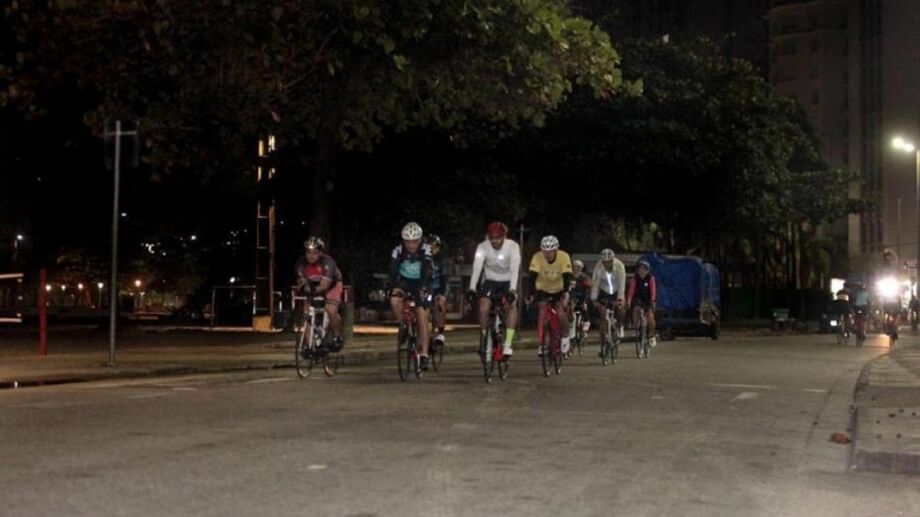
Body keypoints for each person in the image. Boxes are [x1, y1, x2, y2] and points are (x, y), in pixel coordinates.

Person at [468, 221, 521, 357]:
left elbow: (515, 269)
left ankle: (508, 343)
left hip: (508, 280)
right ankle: (486, 338)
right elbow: (477, 268)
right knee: (483, 308)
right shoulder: (482, 247)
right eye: (492, 238)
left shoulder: (513, 247)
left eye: (498, 238)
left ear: (504, 237)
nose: (494, 241)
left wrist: (513, 290)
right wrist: (472, 288)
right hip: (490, 280)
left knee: (511, 307)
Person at [389, 222, 434, 370]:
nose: (411, 245)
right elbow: (393, 271)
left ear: (420, 240)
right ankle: (403, 324)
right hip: (405, 282)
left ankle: (425, 354)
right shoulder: (398, 250)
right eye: (408, 241)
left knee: (421, 315)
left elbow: (427, 270)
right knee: (394, 299)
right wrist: (392, 287)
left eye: (414, 241)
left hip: (423, 282)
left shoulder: (426, 250)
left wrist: (424, 288)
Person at [294, 237, 344, 351]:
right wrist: (304, 290)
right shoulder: (301, 264)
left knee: (330, 310)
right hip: (313, 284)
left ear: (321, 253)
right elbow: (301, 284)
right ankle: (307, 344)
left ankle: (337, 336)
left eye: (315, 253)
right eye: (308, 252)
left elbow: (325, 286)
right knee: (307, 312)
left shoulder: (328, 263)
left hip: (332, 284)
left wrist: (314, 291)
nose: (311, 256)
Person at [528, 235, 573, 355]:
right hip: (543, 288)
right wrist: (530, 294)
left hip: (559, 288)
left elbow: (567, 277)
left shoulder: (564, 256)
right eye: (545, 251)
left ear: (556, 250)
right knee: (542, 312)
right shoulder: (537, 257)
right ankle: (542, 343)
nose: (547, 254)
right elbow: (532, 277)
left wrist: (566, 293)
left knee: (560, 312)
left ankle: (565, 336)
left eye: (550, 251)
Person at [590, 248, 626, 354]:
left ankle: (620, 325)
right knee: (603, 316)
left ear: (612, 260)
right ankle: (603, 343)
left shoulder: (619, 266)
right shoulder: (598, 267)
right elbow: (595, 283)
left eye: (609, 262)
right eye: (604, 262)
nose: (606, 264)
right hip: (604, 291)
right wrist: (594, 299)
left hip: (616, 290)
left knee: (620, 308)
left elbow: (622, 283)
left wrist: (620, 299)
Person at [626, 259, 658, 347]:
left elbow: (653, 291)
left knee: (650, 316)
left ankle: (651, 336)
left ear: (647, 270)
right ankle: (637, 328)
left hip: (648, 300)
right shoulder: (634, 279)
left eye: (644, 269)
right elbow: (631, 291)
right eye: (640, 269)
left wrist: (652, 300)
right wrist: (628, 301)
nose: (642, 271)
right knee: (636, 310)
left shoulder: (650, 279)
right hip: (638, 299)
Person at [427, 234, 449, 346]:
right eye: (429, 247)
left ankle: (440, 333)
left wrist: (441, 294)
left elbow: (444, 278)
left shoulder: (442, 260)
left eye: (434, 247)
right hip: (426, 288)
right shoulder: (423, 257)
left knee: (440, 304)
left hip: (438, 287)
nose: (432, 250)